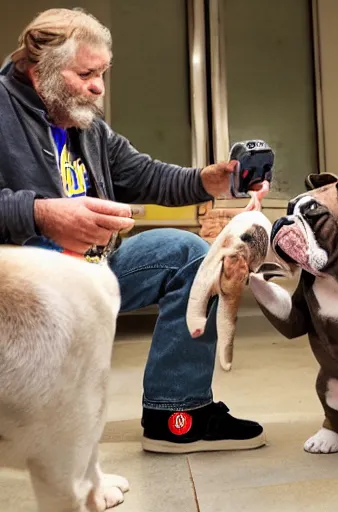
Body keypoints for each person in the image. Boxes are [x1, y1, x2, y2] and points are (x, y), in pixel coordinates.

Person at [0, 7, 267, 454]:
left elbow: (145, 175)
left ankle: (177, 418)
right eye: (85, 73)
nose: (98, 87)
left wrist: (212, 179)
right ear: (36, 66)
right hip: (20, 289)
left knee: (188, 254)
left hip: (91, 272)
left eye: (102, 73)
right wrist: (42, 214)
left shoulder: (85, 122)